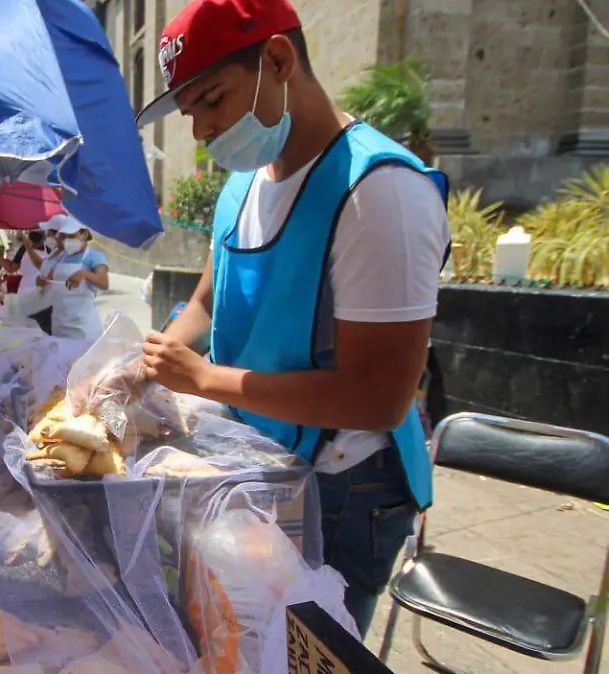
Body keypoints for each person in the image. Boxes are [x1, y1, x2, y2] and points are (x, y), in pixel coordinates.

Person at [134, 0, 450, 634]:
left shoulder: (379, 192)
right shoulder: (244, 184)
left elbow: (378, 399)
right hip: (260, 464)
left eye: (212, 101)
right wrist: (146, 364)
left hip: (342, 487)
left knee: (312, 647)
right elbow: (204, 302)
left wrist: (201, 380)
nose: (201, 133)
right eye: (191, 113)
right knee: (241, 639)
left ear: (277, 60)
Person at [37, 215, 108, 341]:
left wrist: (84, 274)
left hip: (83, 328)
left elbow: (104, 283)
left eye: (71, 236)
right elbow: (48, 280)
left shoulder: (94, 257)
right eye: (64, 236)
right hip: (60, 324)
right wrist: (41, 282)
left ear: (84, 234)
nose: (67, 240)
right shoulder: (62, 256)